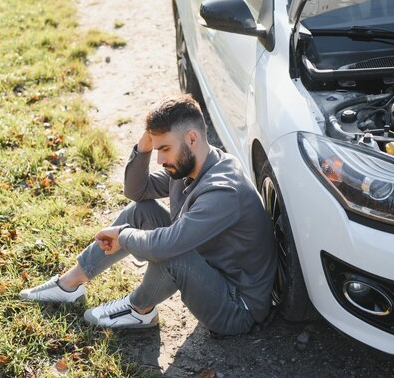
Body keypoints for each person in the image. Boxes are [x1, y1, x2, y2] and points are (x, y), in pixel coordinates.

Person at [19, 94, 277, 336]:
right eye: (156, 149)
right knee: (142, 212)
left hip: (236, 306)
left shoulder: (222, 191)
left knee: (171, 250)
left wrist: (124, 236)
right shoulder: (192, 165)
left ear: (192, 139)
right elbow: (137, 191)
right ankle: (70, 284)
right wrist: (144, 146)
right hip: (211, 270)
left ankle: (139, 309)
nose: (159, 159)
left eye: (164, 148)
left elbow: (169, 245)